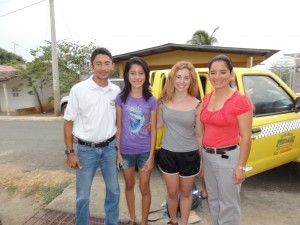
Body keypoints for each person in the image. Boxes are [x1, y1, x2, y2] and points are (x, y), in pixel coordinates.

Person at [63, 47, 120, 225]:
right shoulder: (79, 89)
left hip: (110, 149)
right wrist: (70, 152)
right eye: (98, 64)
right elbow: (68, 122)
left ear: (112, 66)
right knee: (82, 196)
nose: (103, 68)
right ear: (91, 66)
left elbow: (121, 122)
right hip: (86, 150)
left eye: (106, 63)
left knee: (114, 191)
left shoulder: (116, 91)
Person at [199, 54, 253, 225]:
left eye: (223, 72)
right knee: (213, 200)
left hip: (228, 158)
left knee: (228, 205)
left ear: (231, 74)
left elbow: (246, 137)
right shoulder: (207, 97)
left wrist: (241, 167)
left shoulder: (240, 101)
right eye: (213, 73)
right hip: (207, 156)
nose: (217, 77)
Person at [157, 61, 203, 225]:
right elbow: (157, 125)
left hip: (189, 154)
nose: (182, 82)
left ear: (191, 81)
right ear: (172, 78)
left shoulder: (198, 104)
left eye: (186, 78)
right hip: (168, 153)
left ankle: (183, 222)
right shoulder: (162, 102)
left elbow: (199, 134)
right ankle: (173, 221)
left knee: (185, 192)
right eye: (178, 77)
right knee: (171, 192)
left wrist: (202, 158)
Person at [116, 57, 157, 225]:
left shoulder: (151, 100)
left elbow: (153, 128)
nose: (137, 77)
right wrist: (118, 154)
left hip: (144, 151)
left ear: (146, 75)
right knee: (129, 184)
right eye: (133, 73)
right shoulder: (120, 99)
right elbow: (118, 127)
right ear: (127, 75)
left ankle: (144, 221)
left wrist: (151, 156)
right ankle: (132, 218)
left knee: (144, 187)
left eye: (141, 73)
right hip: (125, 151)